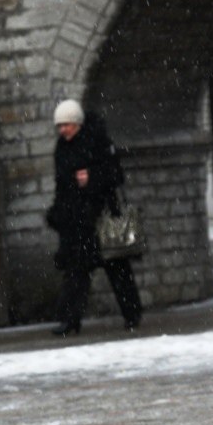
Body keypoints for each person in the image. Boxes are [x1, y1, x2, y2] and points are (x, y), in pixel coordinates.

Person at [46, 98, 142, 335]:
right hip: (76, 220)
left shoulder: (98, 142)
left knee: (117, 267)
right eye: (60, 126)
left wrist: (92, 178)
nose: (63, 130)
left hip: (100, 217)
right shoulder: (62, 148)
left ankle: (132, 315)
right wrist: (58, 213)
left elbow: (115, 175)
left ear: (77, 123)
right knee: (76, 272)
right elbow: (62, 185)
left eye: (67, 125)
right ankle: (70, 321)